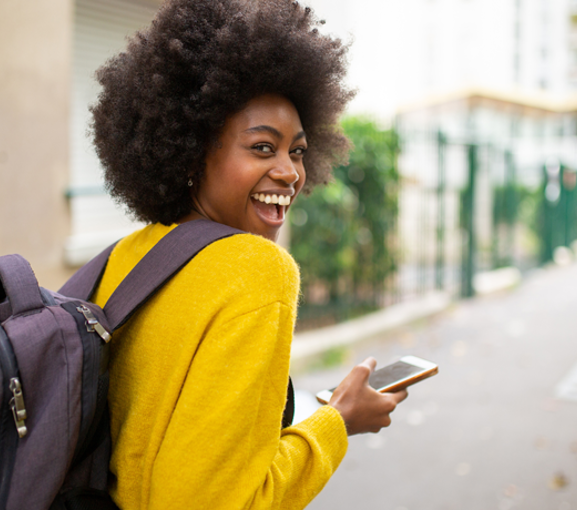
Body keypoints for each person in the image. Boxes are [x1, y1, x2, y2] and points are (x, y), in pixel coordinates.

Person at [90, 1, 407, 509]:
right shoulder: (257, 271)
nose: (289, 172)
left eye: (298, 151)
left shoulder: (128, 256)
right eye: (263, 147)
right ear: (193, 152)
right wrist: (339, 423)